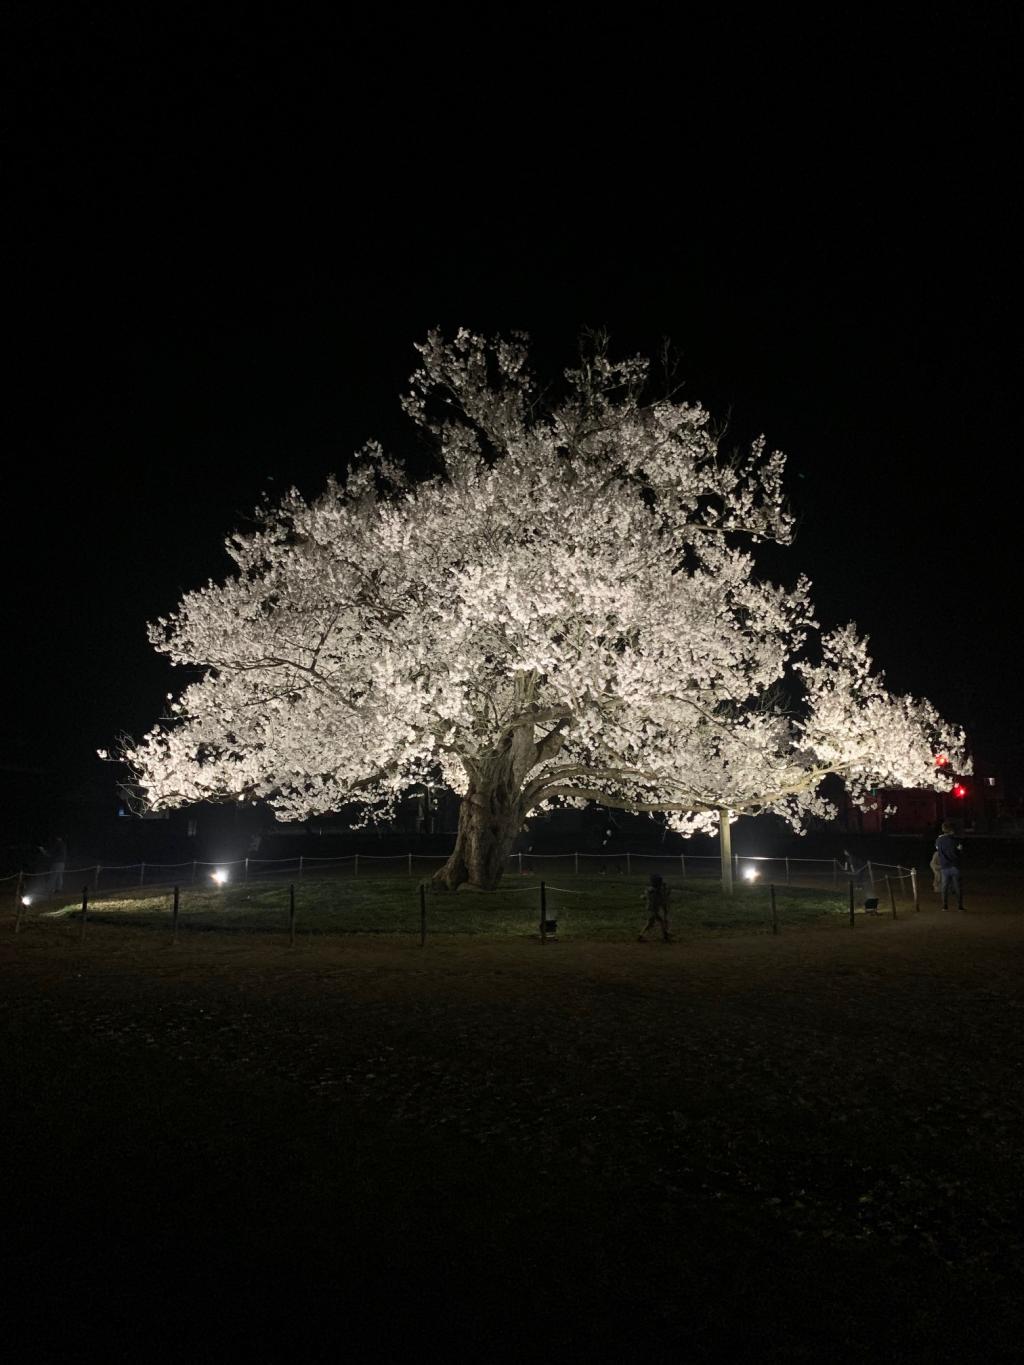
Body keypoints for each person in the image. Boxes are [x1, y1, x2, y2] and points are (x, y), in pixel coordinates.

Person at [935, 821, 964, 910]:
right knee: (957, 887)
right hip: (955, 865)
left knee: (944, 887)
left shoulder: (939, 840)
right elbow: (960, 850)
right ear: (951, 830)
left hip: (944, 866)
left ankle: (945, 906)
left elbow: (937, 848)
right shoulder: (955, 840)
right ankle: (960, 906)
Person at [638, 872, 672, 942]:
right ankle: (665, 937)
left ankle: (641, 935)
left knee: (650, 924)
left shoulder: (650, 890)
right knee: (661, 922)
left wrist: (644, 897)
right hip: (653, 910)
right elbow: (662, 898)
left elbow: (645, 896)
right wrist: (667, 892)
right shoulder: (656, 891)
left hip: (650, 909)